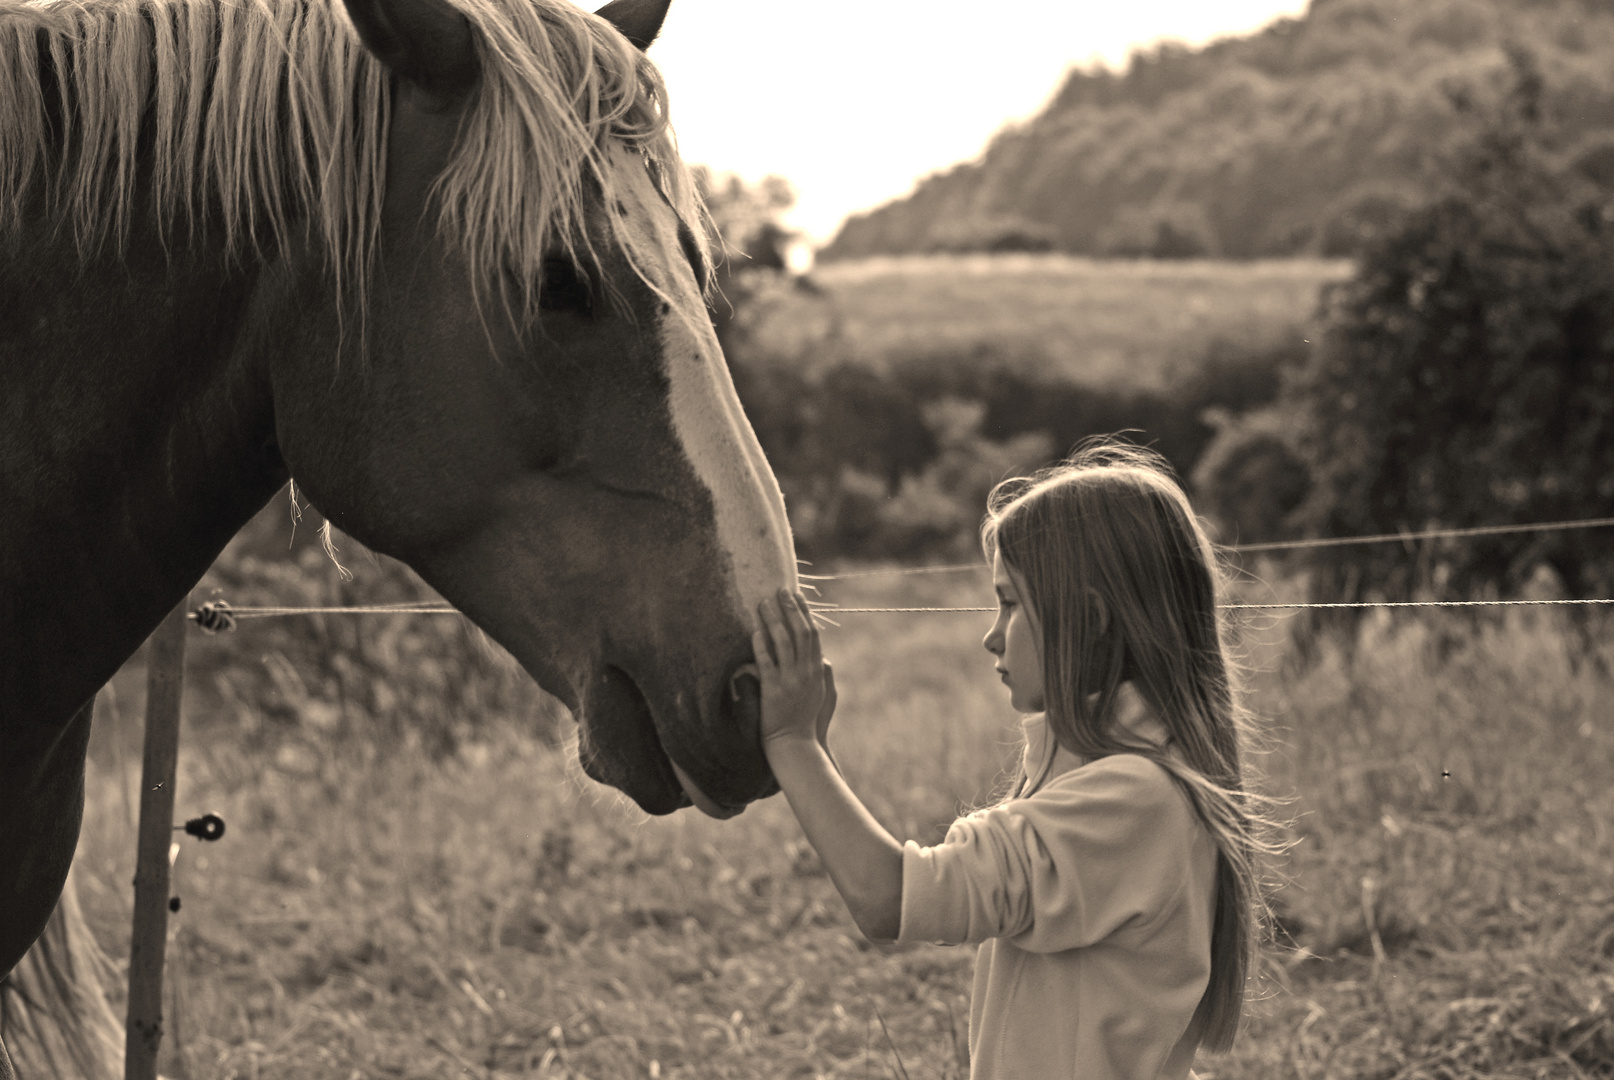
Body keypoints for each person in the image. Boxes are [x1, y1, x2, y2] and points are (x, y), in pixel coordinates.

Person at [753, 441, 1279, 1080]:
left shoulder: (1131, 800)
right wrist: (817, 753)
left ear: (1086, 618)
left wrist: (793, 745)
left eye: (1009, 601)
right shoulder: (1115, 774)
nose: (991, 634)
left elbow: (889, 900)